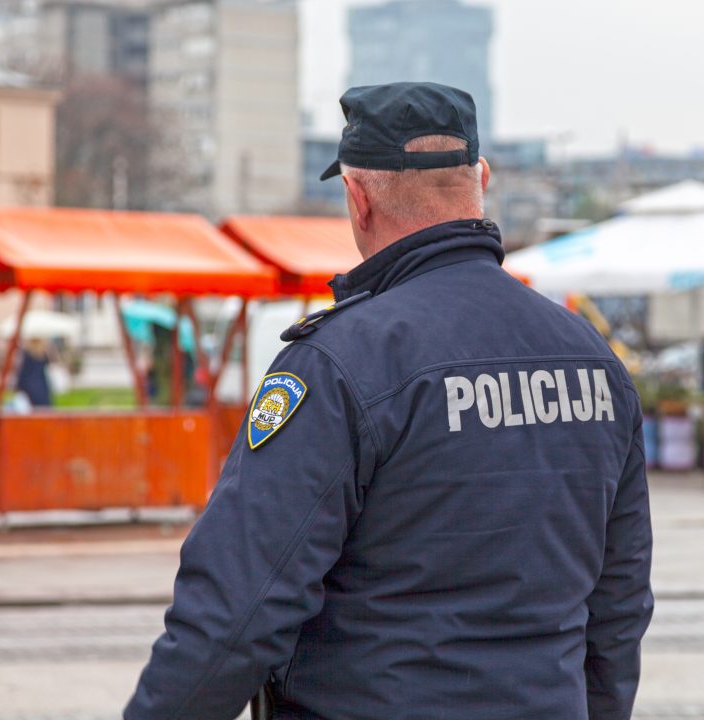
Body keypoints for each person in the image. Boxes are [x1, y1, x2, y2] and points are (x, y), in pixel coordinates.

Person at [125, 82, 653, 720]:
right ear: (479, 177)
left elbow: (238, 610)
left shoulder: (338, 363)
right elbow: (618, 606)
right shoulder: (592, 358)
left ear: (357, 196)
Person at [15, 338, 52, 407]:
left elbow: (23, 374)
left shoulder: (27, 354)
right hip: (41, 388)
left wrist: (18, 387)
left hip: (30, 389)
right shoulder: (43, 355)